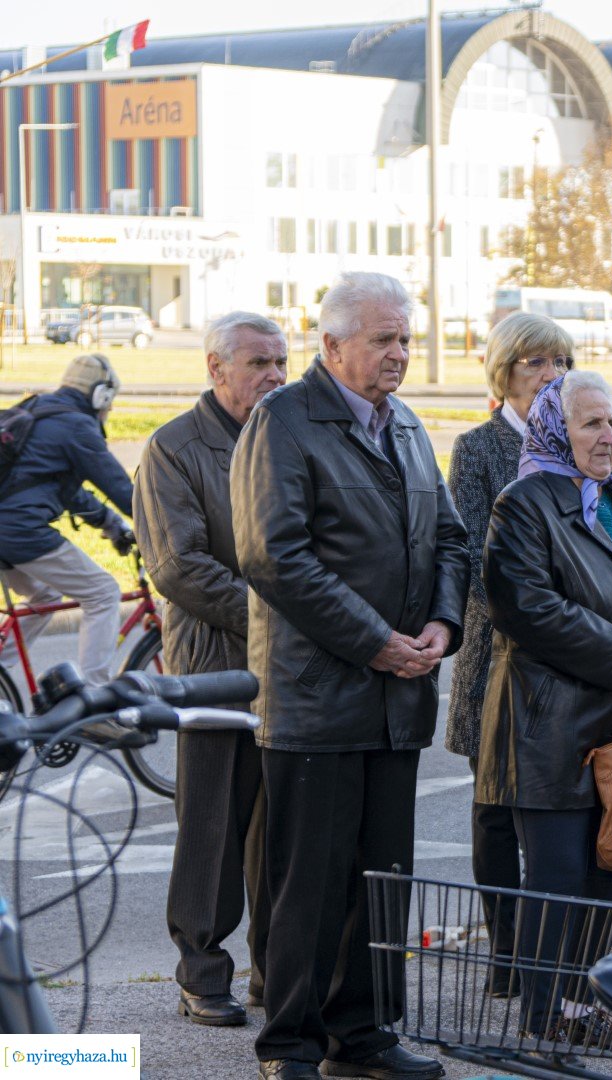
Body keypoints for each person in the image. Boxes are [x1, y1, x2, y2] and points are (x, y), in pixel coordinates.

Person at [233, 272, 469, 1080]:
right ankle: (291, 1045)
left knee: (380, 881)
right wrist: (374, 642)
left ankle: (362, 1036)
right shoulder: (284, 420)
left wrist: (442, 623)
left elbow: (449, 538)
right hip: (316, 697)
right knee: (310, 884)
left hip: (397, 696)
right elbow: (273, 556)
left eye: (406, 338)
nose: (400, 353)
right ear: (331, 345)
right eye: (383, 339)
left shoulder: (405, 424)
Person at [477, 371, 612, 1052]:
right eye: (591, 423)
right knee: (559, 878)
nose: (607, 437)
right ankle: (544, 1015)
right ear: (554, 430)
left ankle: (581, 1005)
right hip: (549, 727)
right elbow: (527, 606)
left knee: (608, 870)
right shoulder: (523, 503)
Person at [133, 312, 286, 1027]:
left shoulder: (288, 436)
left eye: (281, 362)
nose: (274, 376)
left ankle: (274, 973)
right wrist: (281, 619)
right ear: (216, 368)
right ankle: (201, 971)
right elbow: (178, 566)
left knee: (280, 827)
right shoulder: (174, 447)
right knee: (212, 827)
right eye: (258, 363)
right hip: (214, 664)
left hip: (291, 668)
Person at [444, 313, 573, 993]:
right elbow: (469, 554)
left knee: (556, 815)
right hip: (495, 657)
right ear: (504, 371)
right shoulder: (478, 448)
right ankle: (507, 952)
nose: (551, 375)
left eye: (561, 361)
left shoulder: (582, 438)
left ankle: (556, 952)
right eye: (536, 362)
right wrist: (538, 615)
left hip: (570, 664)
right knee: (494, 812)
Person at [0, 354, 135, 686]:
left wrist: (110, 523)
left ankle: (0, 670)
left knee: (46, 595)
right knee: (103, 592)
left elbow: (66, 490)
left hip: (8, 529)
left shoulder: (38, 409)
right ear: (101, 395)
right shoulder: (77, 426)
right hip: (19, 531)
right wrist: (165, 523)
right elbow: (122, 490)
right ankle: (94, 694)